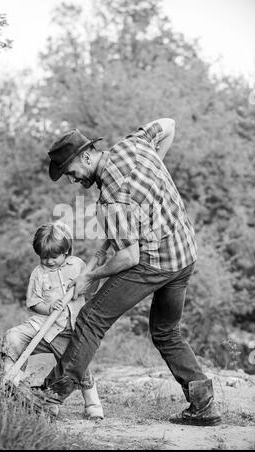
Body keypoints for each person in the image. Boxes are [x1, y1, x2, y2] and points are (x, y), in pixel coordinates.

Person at [39, 119, 221, 426]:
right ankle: (203, 405)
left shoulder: (112, 197)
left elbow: (128, 257)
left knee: (92, 318)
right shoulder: (133, 145)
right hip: (185, 252)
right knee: (166, 331)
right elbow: (168, 124)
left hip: (156, 261)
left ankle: (48, 396)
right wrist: (150, 177)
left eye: (71, 172)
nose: (72, 181)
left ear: (86, 156)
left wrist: (89, 277)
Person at [0, 221, 104, 419]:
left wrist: (90, 279)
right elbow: (33, 302)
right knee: (13, 337)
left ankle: (92, 404)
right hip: (45, 326)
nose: (49, 261)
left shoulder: (78, 265)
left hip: (71, 329)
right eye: (44, 257)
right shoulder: (38, 274)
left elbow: (91, 288)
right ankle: (11, 381)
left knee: (77, 365)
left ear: (66, 251)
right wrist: (48, 308)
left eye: (54, 257)